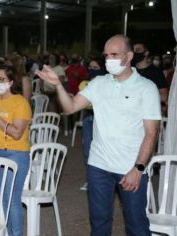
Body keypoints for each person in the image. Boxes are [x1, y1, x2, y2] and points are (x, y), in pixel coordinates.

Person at [36, 35, 161, 235]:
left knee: (136, 225)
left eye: (114, 54)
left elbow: (152, 133)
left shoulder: (146, 88)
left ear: (129, 56)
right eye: (106, 55)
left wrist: (138, 169)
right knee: (99, 223)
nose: (108, 59)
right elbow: (70, 108)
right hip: (99, 165)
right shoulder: (98, 83)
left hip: (130, 166)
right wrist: (58, 85)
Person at [0, 65, 32, 236]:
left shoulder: (21, 102)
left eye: (2, 79)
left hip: (15, 153)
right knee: (1, 198)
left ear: (10, 82)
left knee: (12, 199)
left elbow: (16, 133)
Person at [78, 59, 106, 191]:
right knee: (87, 149)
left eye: (96, 67)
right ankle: (90, 180)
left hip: (103, 118)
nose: (92, 69)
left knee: (104, 148)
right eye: (90, 66)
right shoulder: (84, 83)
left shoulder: (108, 82)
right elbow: (84, 102)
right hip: (88, 117)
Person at [133, 42, 168, 114]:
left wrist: (141, 97)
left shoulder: (156, 72)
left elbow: (164, 96)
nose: (135, 52)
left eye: (138, 50)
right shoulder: (129, 70)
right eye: (133, 50)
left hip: (149, 112)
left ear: (146, 53)